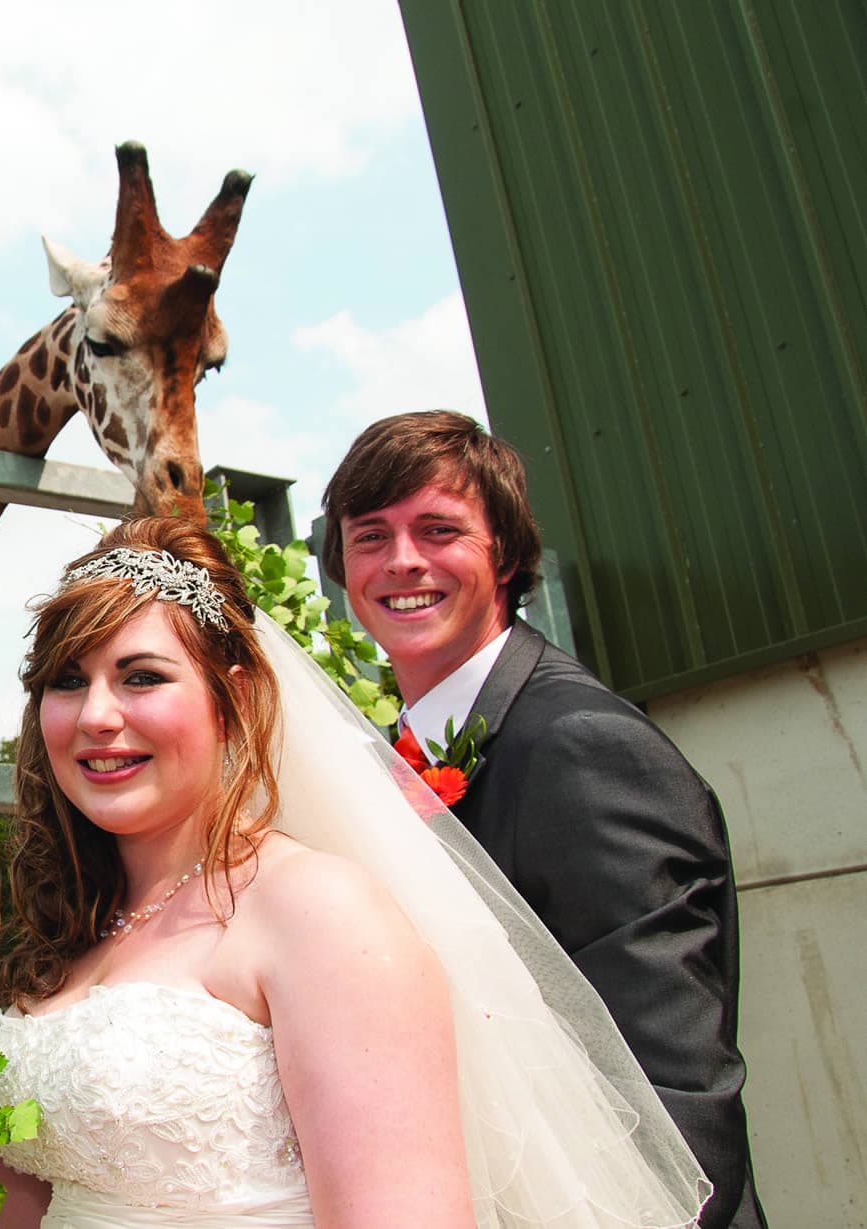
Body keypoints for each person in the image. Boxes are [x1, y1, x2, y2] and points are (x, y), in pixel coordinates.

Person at [0, 515, 709, 1228]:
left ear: (235, 697)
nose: (97, 716)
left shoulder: (318, 911)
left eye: (142, 676)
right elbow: (51, 1203)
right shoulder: (83, 925)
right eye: (68, 681)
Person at [322, 411, 764, 1228]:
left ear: (510, 555)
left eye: (439, 529)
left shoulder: (582, 746)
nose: (403, 560)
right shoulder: (386, 759)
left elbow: (677, 1098)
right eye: (371, 535)